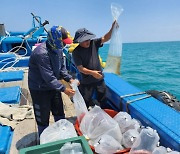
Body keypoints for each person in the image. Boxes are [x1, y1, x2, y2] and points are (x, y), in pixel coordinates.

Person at [28, 25, 77, 136]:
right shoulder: (41, 53)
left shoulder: (58, 50)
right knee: (43, 116)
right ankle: (43, 138)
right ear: (55, 40)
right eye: (63, 42)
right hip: (39, 89)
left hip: (53, 86)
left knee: (59, 110)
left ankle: (62, 135)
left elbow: (62, 69)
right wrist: (64, 89)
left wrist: (70, 79)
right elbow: (48, 77)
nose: (64, 44)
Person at [72, 21, 117, 109]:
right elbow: (80, 68)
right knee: (85, 102)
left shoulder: (94, 43)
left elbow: (105, 38)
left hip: (99, 79)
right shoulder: (76, 52)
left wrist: (112, 28)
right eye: (85, 40)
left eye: (88, 39)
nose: (88, 41)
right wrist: (92, 73)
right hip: (86, 81)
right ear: (79, 41)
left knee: (103, 99)